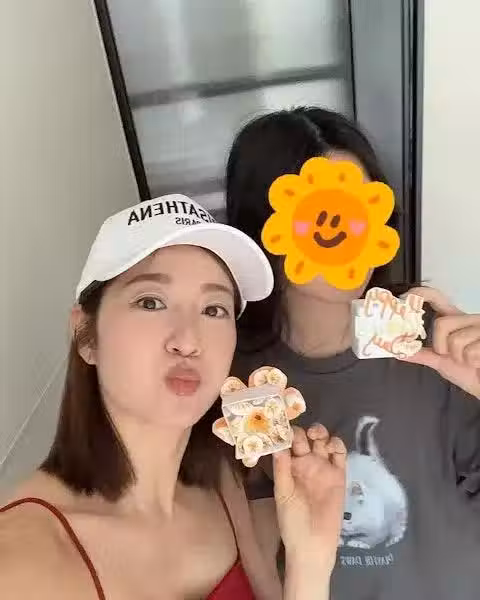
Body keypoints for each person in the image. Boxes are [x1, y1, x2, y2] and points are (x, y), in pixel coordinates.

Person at [0, 194, 347, 600]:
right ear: (85, 336)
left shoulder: (225, 486)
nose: (188, 340)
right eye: (151, 302)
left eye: (214, 309)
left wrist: (310, 560)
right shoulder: (20, 563)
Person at [226, 107, 480, 600]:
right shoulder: (247, 384)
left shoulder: (427, 337)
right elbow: (263, 554)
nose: (344, 234)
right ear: (265, 228)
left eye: (361, 210)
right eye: (320, 211)